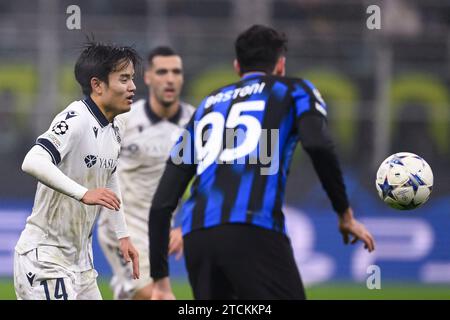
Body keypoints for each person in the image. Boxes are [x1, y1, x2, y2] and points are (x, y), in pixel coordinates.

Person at [149, 25, 376, 300]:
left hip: (198, 238)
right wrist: (345, 214)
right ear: (280, 64)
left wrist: (160, 280)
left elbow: (162, 203)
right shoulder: (294, 89)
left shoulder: (205, 107)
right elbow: (317, 144)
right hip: (253, 228)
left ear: (236, 66)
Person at [14, 42, 140, 300]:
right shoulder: (75, 118)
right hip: (45, 259)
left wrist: (123, 235)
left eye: (133, 79)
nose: (132, 87)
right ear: (97, 85)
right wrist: (83, 193)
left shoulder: (116, 126)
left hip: (81, 265)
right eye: (124, 79)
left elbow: (109, 175)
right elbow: (33, 160)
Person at [97, 46, 195, 300]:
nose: (170, 78)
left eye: (176, 72)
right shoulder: (124, 119)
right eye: (162, 72)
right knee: (157, 297)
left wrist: (186, 225)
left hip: (161, 227)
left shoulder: (195, 122)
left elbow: (209, 179)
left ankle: (124, 290)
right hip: (122, 226)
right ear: (149, 77)